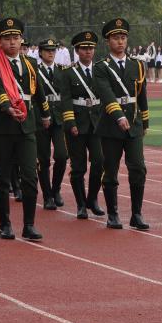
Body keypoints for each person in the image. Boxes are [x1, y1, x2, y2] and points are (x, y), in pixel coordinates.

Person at [0, 17, 50, 241]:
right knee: (2, 179)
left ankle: (29, 225)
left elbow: (37, 90)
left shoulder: (30, 63)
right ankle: (5, 224)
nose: (12, 42)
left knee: (30, 177)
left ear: (22, 39)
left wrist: (46, 113)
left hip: (27, 126)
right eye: (7, 39)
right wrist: (7, 107)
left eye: (16, 38)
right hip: (4, 126)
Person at [92, 17, 150, 231]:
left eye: (123, 37)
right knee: (111, 171)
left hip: (133, 124)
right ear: (108, 41)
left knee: (138, 168)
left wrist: (144, 121)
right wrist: (118, 116)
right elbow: (106, 95)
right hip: (110, 125)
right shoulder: (101, 68)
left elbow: (141, 96)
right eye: (116, 38)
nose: (120, 41)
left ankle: (136, 214)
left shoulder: (137, 65)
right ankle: (113, 213)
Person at [58, 30, 105, 219]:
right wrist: (70, 122)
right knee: (78, 166)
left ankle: (92, 198)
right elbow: (66, 99)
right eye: (84, 48)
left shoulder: (101, 70)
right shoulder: (68, 72)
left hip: (96, 124)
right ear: (77, 50)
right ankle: (80, 204)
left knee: (99, 161)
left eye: (91, 48)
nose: (88, 52)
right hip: (77, 123)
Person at [35, 38, 68, 210]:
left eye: (53, 50)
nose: (51, 53)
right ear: (40, 52)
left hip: (59, 118)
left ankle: (56, 189)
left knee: (62, 155)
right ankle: (47, 195)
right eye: (47, 50)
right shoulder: (35, 71)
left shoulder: (62, 70)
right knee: (43, 159)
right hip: (41, 119)